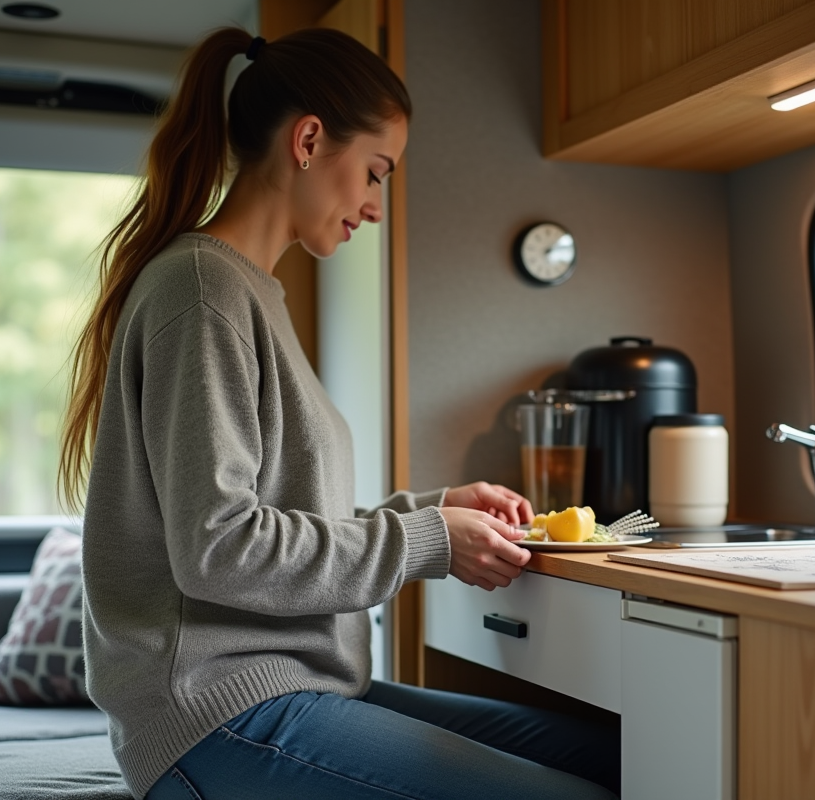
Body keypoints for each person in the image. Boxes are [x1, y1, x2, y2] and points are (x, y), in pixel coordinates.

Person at [58, 27, 620, 800]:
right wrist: (426, 541)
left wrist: (434, 510)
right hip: (214, 713)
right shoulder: (201, 292)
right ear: (311, 139)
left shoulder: (251, 293)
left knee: (615, 756)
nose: (376, 207)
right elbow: (220, 549)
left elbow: (279, 515)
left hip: (291, 686)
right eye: (375, 173)